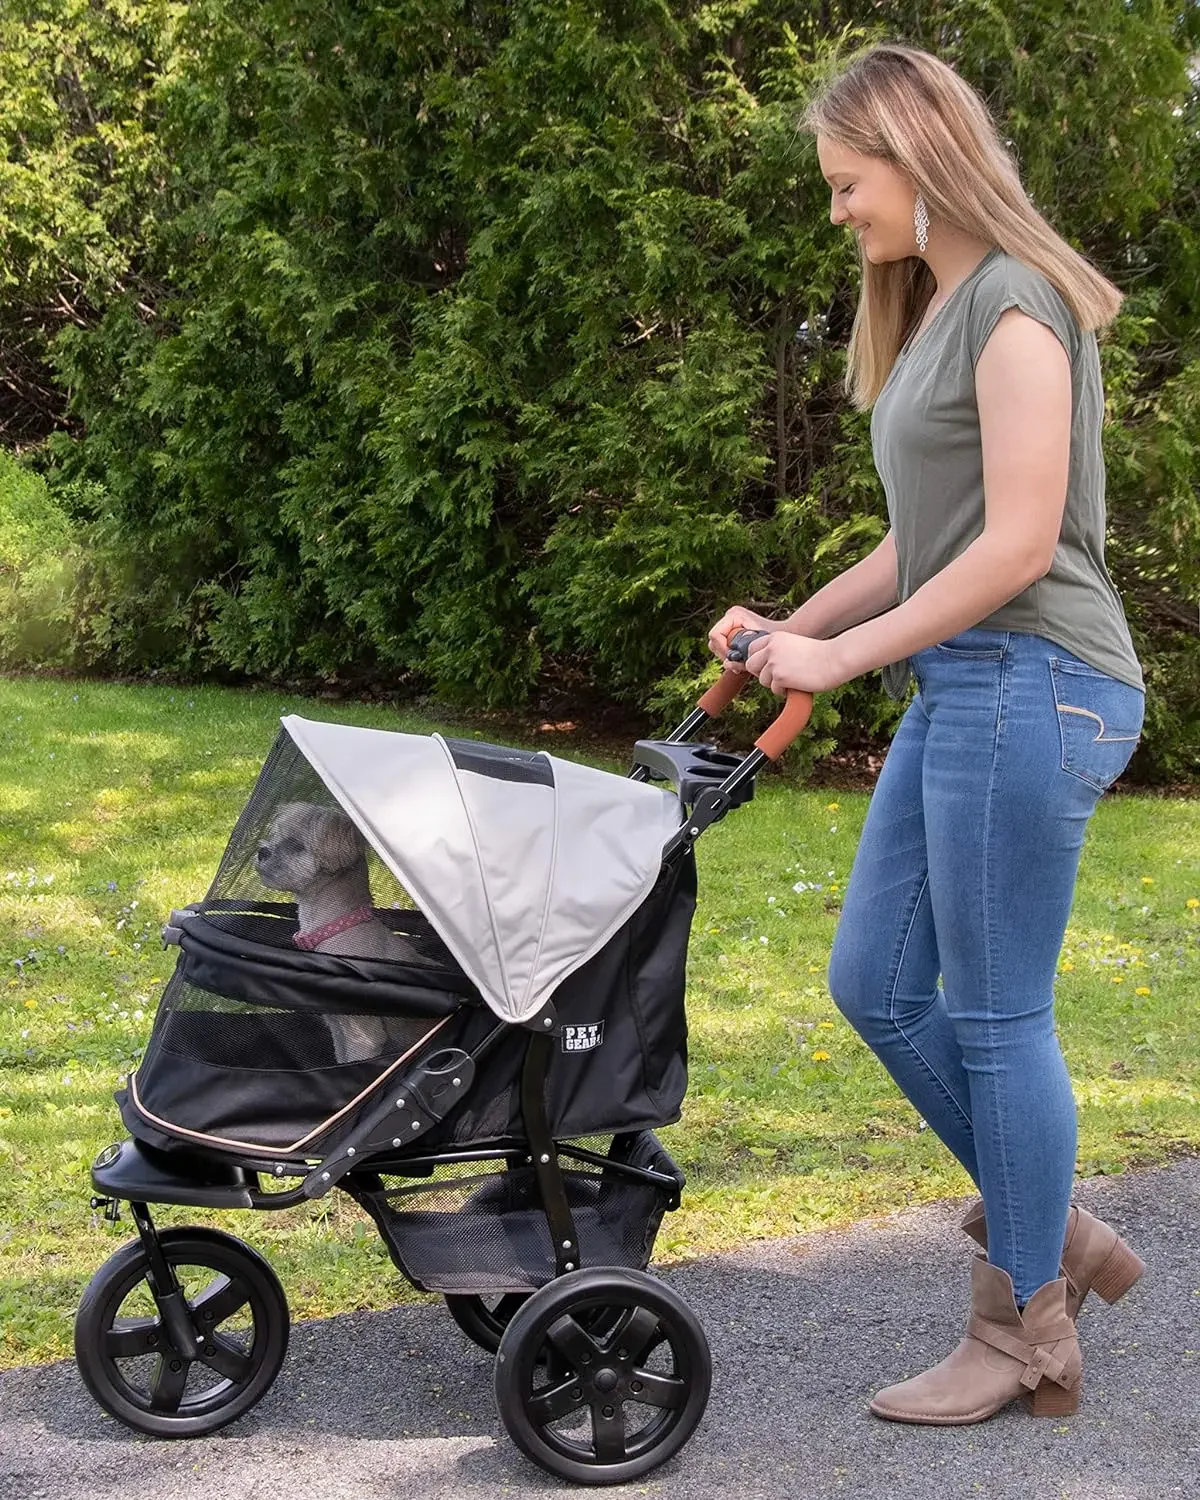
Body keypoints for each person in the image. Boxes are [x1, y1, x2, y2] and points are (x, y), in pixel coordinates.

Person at [708, 42, 1147, 1426]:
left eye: (848, 182)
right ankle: (1052, 1230)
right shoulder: (947, 303)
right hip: (968, 681)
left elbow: (1017, 545)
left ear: (919, 152)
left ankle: (1026, 1335)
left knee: (997, 1015)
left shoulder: (1017, 301)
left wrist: (836, 658)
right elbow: (925, 542)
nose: (838, 211)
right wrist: (797, 626)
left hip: (1037, 679)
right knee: (877, 985)